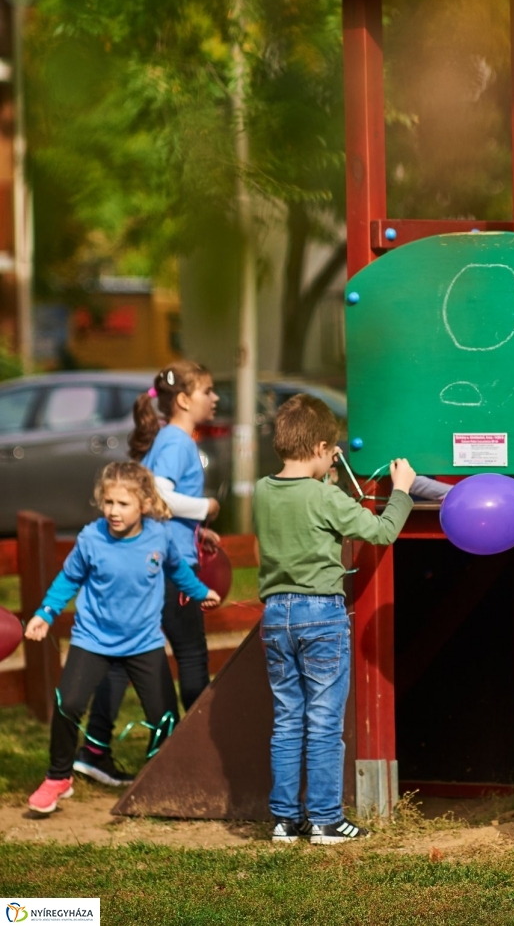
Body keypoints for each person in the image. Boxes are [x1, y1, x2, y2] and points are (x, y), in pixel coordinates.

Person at [254, 393, 416, 845]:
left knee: (288, 718)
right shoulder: (325, 496)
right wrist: (401, 488)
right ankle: (326, 818)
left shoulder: (263, 491)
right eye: (331, 452)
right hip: (320, 615)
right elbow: (382, 531)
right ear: (325, 449)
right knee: (324, 721)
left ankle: (286, 820)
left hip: (275, 615)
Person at [25, 462, 220, 815]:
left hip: (144, 642)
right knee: (67, 704)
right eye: (108, 502)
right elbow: (67, 580)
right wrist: (45, 614)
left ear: (144, 504)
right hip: (92, 640)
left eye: (123, 504)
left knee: (164, 716)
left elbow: (177, 569)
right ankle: (57, 778)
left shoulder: (159, 537)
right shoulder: (90, 538)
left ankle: (163, 777)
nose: (113, 511)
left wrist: (200, 590)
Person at [75, 361, 221, 787]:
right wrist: (206, 508)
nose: (214, 399)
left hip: (164, 556)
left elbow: (156, 504)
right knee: (192, 657)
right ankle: (197, 752)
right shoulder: (176, 441)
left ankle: (96, 748)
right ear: (183, 400)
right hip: (171, 569)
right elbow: (158, 494)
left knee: (125, 660)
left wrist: (197, 531)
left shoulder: (169, 440)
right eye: (208, 391)